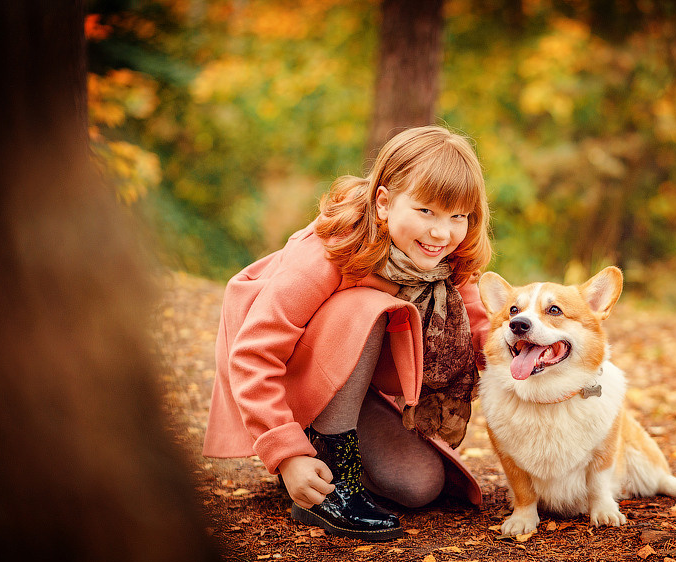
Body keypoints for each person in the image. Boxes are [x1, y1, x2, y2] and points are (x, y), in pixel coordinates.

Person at [203, 125, 492, 541]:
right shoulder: (330, 251)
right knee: (367, 306)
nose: (441, 233)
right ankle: (327, 473)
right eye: (426, 211)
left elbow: (483, 327)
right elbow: (252, 354)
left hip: (345, 386)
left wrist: (535, 357)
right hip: (289, 376)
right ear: (384, 203)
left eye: (457, 216)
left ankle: (326, 449)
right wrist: (287, 456)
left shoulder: (448, 261)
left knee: (419, 485)